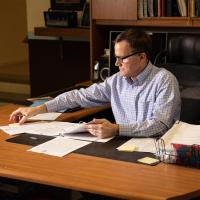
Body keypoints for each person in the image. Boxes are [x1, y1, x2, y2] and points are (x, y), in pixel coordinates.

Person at [9, 29, 181, 139]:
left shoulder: (164, 80)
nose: (116, 64)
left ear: (142, 57)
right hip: (122, 146)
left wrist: (116, 129)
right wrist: (38, 109)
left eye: (122, 59)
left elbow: (160, 125)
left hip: (155, 150)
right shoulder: (116, 81)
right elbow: (78, 96)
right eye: (116, 58)